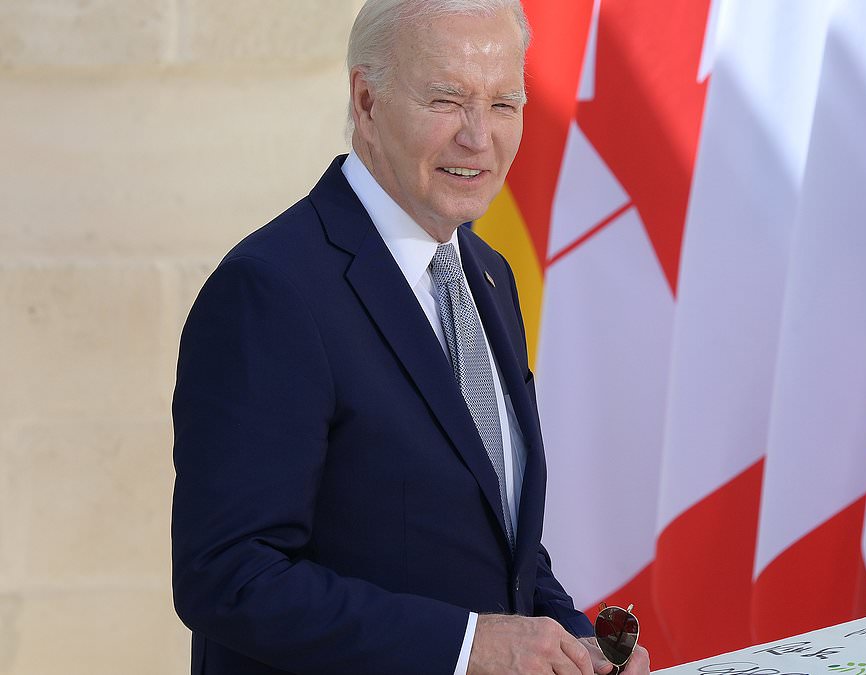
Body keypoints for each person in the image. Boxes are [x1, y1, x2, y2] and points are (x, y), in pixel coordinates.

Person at [170, 1, 651, 673]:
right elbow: (229, 576)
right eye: (448, 101)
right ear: (366, 101)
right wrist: (467, 646)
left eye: (504, 104)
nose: (479, 138)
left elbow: (495, 540)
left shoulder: (487, 274)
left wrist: (574, 641)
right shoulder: (271, 291)